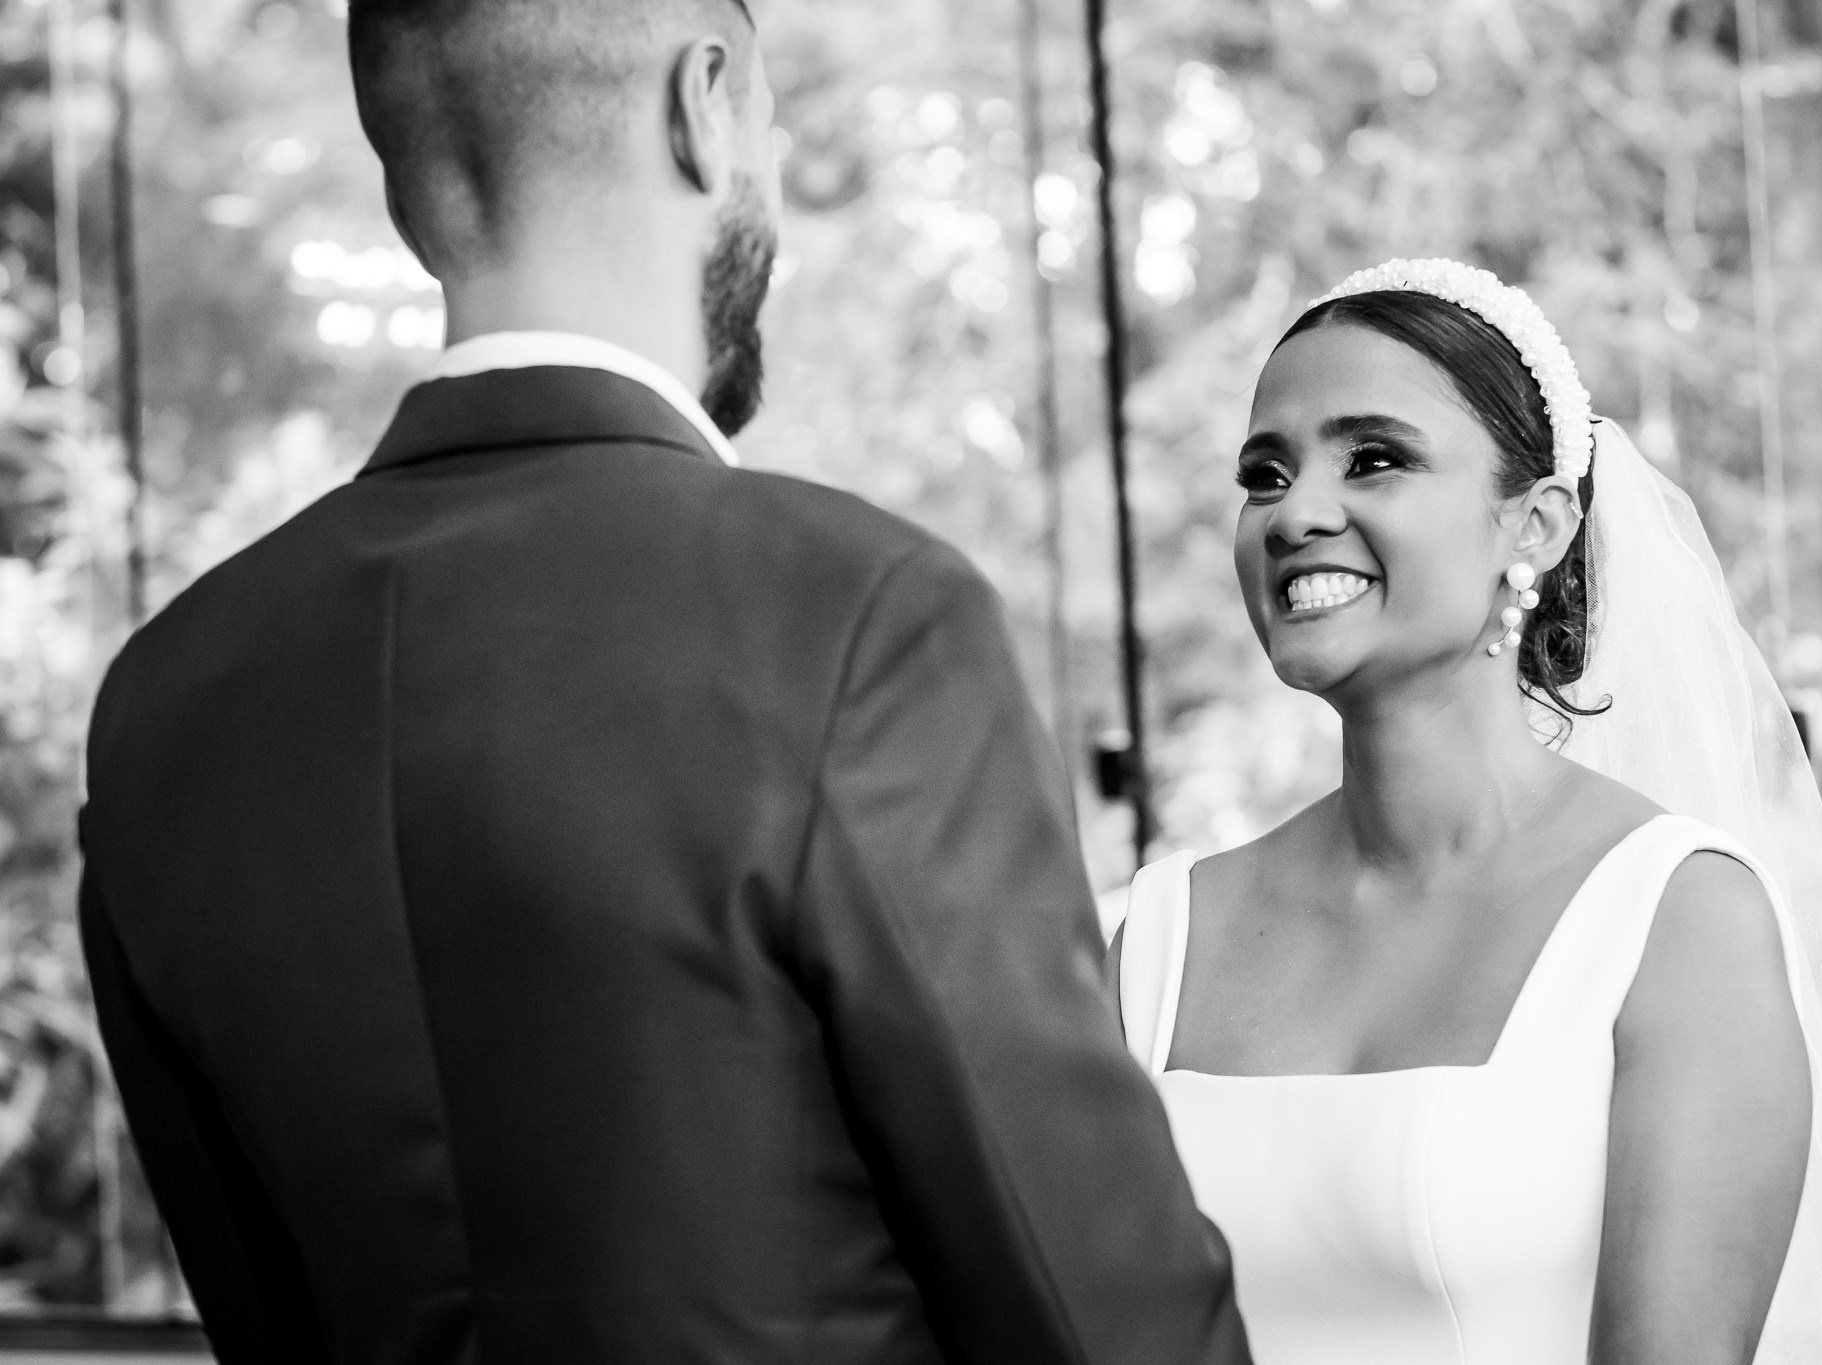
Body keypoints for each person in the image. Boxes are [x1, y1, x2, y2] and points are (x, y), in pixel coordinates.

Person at [77, 3, 1252, 1362]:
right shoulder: (856, 616)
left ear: (408, 180)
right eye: (768, 116)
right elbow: (1103, 1317)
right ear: (703, 106)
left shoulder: (164, 704)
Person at [1113, 259, 1822, 1364]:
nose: (1295, 514)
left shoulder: (1673, 922)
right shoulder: (1146, 942)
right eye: (1263, 475)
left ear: (1533, 526)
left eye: (1372, 458)